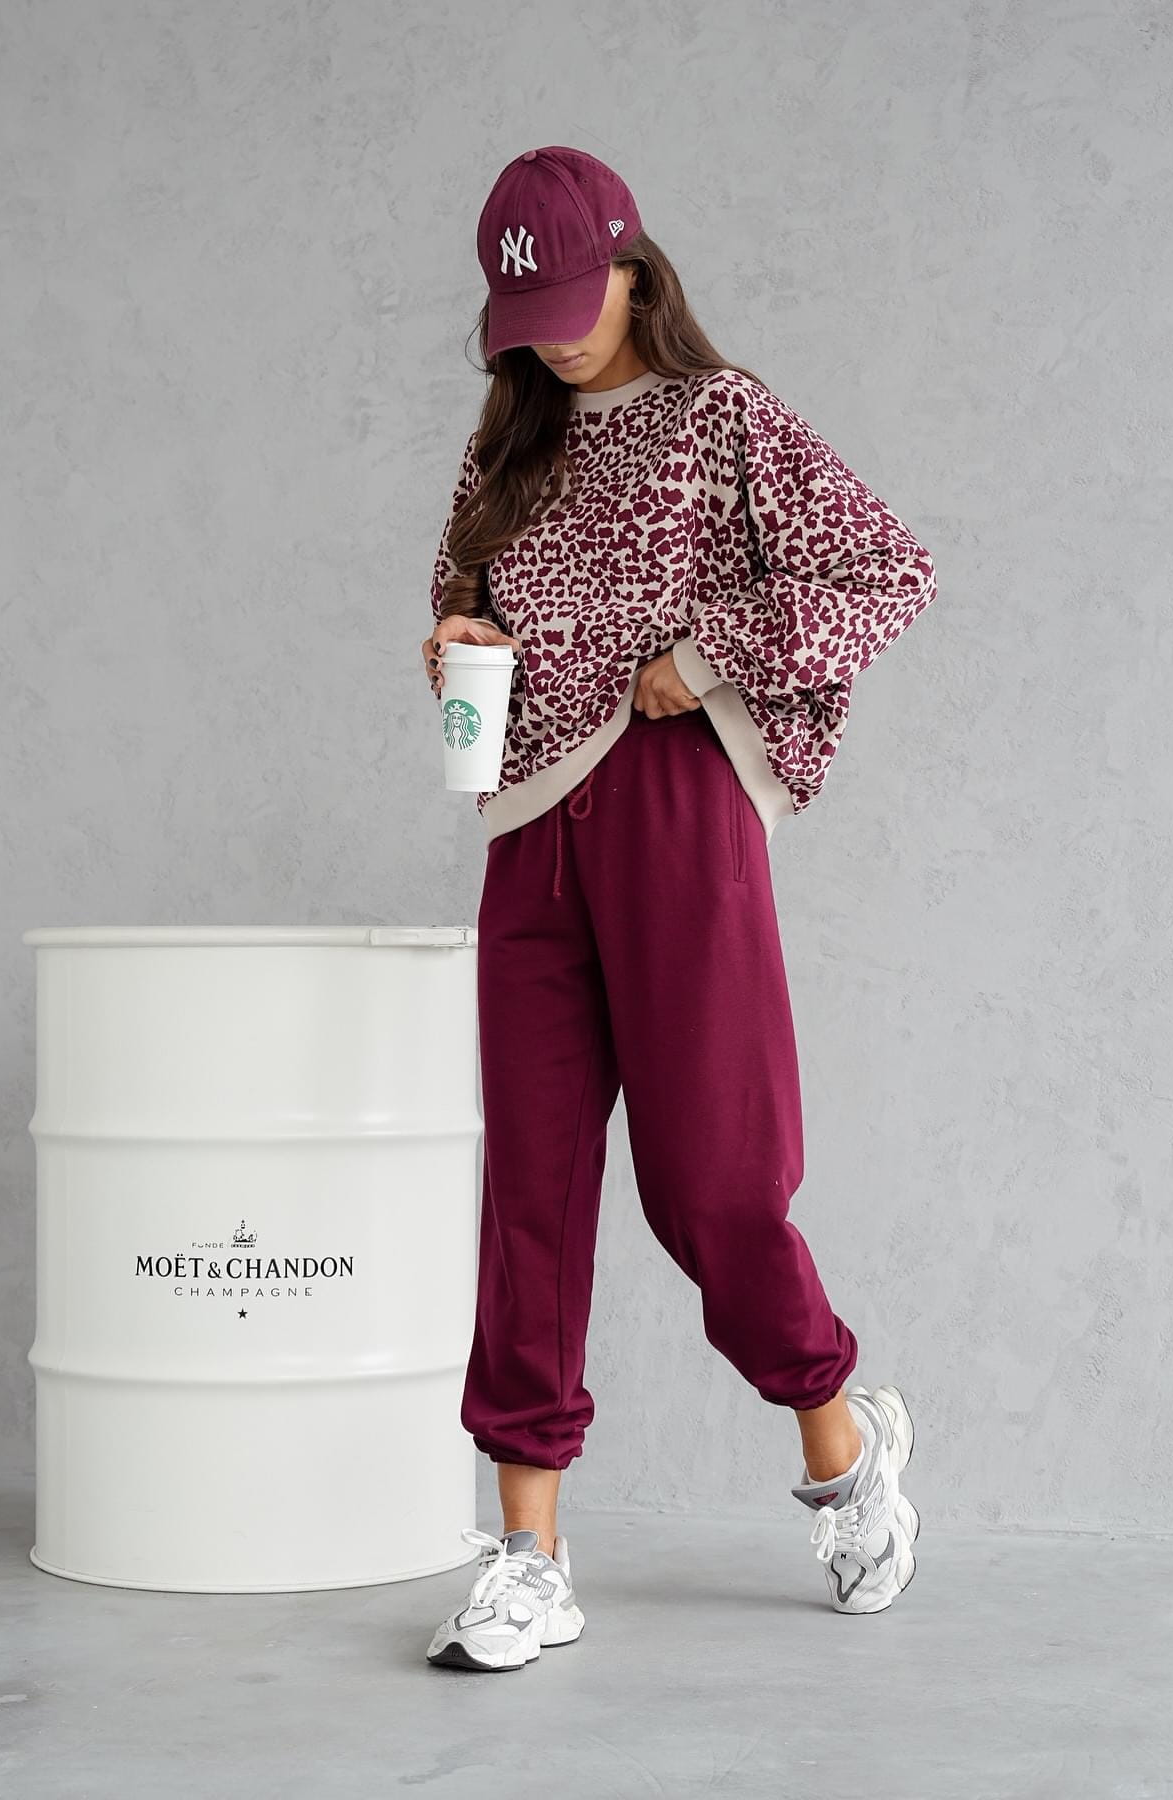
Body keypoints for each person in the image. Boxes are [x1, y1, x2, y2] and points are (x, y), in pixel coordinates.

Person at [418, 146, 936, 1673]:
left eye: (574, 308)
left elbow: (888, 573)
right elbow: (460, 600)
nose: (555, 344)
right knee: (530, 1195)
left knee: (713, 1186)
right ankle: (529, 1555)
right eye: (526, 322)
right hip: (529, 831)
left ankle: (844, 1442)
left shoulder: (723, 418)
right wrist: (452, 642)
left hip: (672, 814)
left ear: (637, 271)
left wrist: (703, 657)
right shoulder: (508, 443)